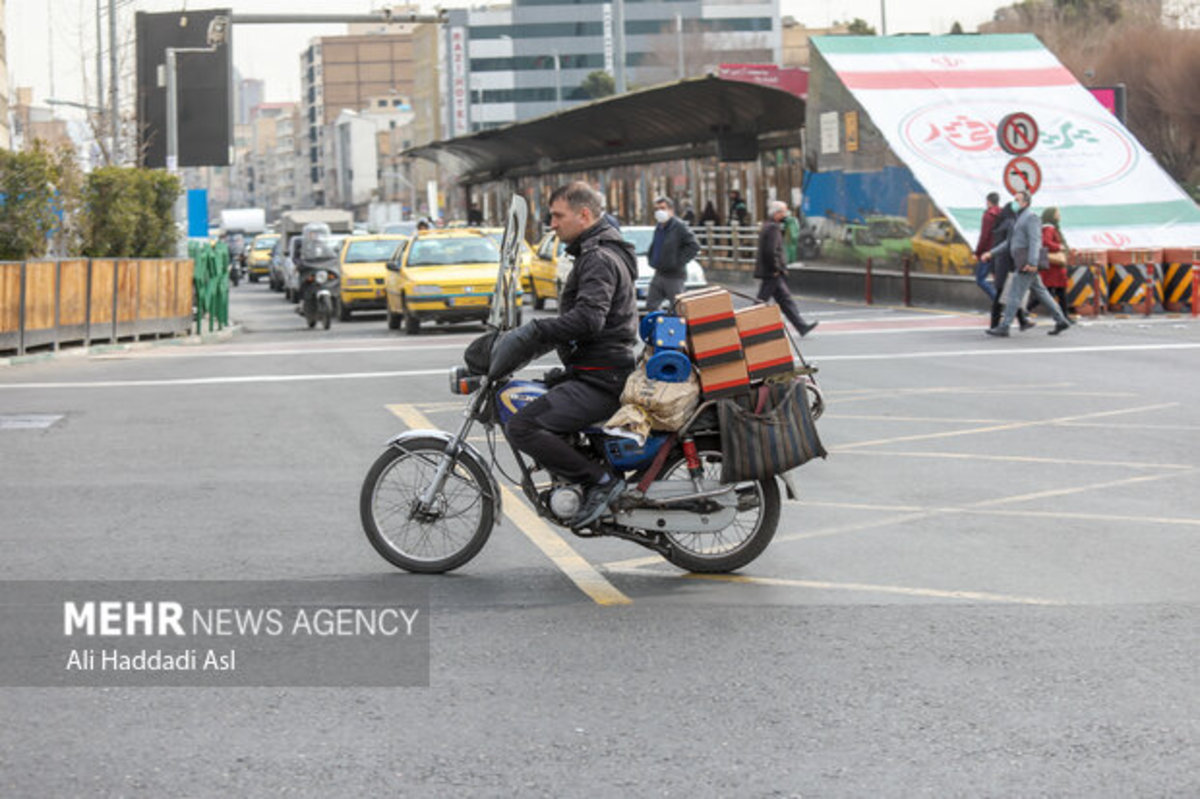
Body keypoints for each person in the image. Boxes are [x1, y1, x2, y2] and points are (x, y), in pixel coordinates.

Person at [498, 182, 639, 529]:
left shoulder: (599, 257)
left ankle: (601, 482)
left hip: (602, 377)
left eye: (558, 216)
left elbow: (590, 319)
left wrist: (537, 331)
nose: (553, 224)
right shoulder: (598, 251)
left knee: (523, 425)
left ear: (585, 214)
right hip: (594, 370)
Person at [982, 190, 1071, 337]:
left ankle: (1004, 327)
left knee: (1014, 294)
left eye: (1017, 200)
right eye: (1014, 199)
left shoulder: (1031, 217)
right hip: (1021, 261)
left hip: (1026, 262)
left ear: (1025, 203)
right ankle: (1061, 320)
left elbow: (1035, 241)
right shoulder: (1018, 218)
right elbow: (1009, 242)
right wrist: (991, 253)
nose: (1014, 202)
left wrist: (1032, 262)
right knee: (1042, 293)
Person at [755, 200, 817, 337]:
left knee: (785, 300)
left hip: (772, 272)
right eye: (783, 211)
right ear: (777, 213)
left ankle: (801, 326)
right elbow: (771, 251)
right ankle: (749, 324)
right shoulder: (773, 228)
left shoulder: (769, 225)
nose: (786, 214)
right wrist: (777, 268)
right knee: (761, 301)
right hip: (772, 272)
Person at [645, 196, 700, 313]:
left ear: (671, 210)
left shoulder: (679, 227)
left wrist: (677, 262)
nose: (659, 212)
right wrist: (651, 258)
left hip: (674, 276)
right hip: (659, 273)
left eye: (662, 208)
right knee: (651, 305)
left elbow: (694, 246)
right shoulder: (659, 227)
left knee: (678, 308)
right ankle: (659, 328)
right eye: (657, 209)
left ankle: (678, 329)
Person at [985, 204, 1034, 332]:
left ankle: (1021, 321)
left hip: (1001, 262)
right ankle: (996, 325)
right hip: (1009, 263)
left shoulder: (1001, 222)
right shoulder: (1011, 223)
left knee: (1011, 293)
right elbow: (1010, 244)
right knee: (1004, 294)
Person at [1037, 207, 1071, 319]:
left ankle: (1064, 317)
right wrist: (1058, 247)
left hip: (1054, 266)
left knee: (1053, 292)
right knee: (1053, 292)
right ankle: (1064, 317)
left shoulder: (1048, 228)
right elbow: (1045, 242)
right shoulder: (1049, 229)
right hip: (1054, 266)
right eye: (1057, 214)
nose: (1059, 216)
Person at [973, 192, 1002, 303]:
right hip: (999, 251)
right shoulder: (1002, 214)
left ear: (988, 201)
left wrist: (977, 252)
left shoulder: (988, 215)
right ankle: (1000, 303)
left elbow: (984, 236)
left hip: (988, 253)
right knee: (998, 279)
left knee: (980, 279)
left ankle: (997, 302)